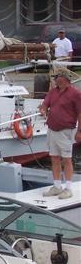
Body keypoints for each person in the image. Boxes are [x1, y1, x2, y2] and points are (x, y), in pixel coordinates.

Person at [39, 68, 81, 199]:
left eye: (57, 77)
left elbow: (80, 113)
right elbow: (45, 104)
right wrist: (43, 109)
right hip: (52, 129)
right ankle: (57, 186)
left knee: (67, 159)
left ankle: (68, 188)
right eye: (55, 77)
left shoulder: (76, 93)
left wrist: (79, 131)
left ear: (64, 78)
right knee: (54, 157)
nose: (55, 79)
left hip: (66, 130)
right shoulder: (53, 92)